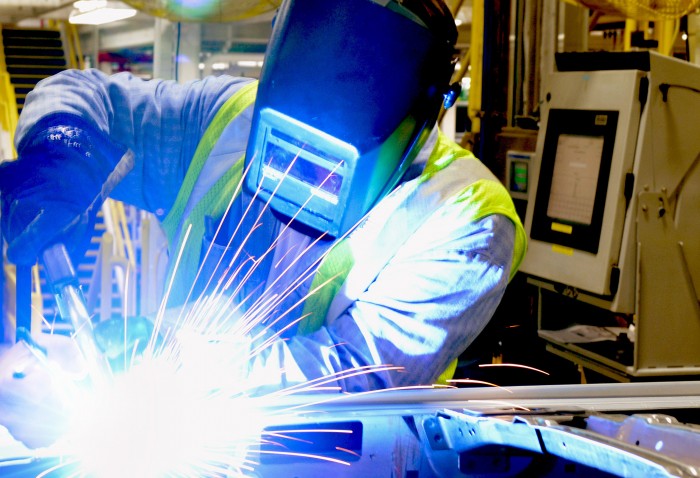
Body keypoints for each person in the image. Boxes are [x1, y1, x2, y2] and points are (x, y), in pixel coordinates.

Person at [0, 0, 526, 448]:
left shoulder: (465, 220)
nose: (293, 178)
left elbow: (349, 379)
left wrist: (162, 355)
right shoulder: (224, 118)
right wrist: (61, 150)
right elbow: (82, 94)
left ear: (420, 122)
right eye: (280, 147)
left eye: (324, 168)